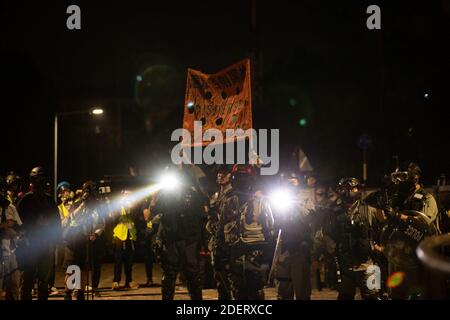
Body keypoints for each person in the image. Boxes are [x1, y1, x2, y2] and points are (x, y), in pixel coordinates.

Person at [323, 177, 379, 300]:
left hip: (367, 262)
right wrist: (334, 251)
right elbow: (326, 234)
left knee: (373, 296)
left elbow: (380, 230)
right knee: (345, 296)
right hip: (344, 264)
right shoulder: (333, 212)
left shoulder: (369, 209)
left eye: (353, 188)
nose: (349, 192)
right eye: (345, 189)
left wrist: (378, 247)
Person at [153, 168, 204, 300]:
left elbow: (201, 216)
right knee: (169, 275)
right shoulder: (165, 195)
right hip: (171, 240)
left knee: (192, 274)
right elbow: (153, 212)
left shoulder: (193, 195)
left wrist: (198, 240)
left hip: (189, 241)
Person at [227, 164, 275, 300]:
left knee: (255, 290)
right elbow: (222, 227)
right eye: (239, 177)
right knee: (237, 290)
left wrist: (267, 258)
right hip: (235, 250)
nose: (242, 180)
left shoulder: (261, 201)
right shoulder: (229, 201)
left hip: (256, 251)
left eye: (244, 177)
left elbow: (270, 229)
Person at [17, 167, 61, 300]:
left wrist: (53, 242)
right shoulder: (26, 200)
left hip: (45, 245)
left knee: (43, 282)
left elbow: (56, 223)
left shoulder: (48, 200)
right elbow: (19, 223)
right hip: (30, 245)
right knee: (28, 280)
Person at [273, 172, 313, 300]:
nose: (290, 182)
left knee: (302, 289)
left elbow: (310, 217)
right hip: (284, 248)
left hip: (300, 249)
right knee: (283, 288)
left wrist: (296, 205)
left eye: (293, 179)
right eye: (288, 179)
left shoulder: (306, 197)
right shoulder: (280, 197)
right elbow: (274, 221)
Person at [206, 166, 234, 300]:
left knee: (232, 276)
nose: (220, 175)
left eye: (223, 173)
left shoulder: (234, 195)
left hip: (230, 240)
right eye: (218, 173)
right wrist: (210, 224)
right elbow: (210, 219)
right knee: (219, 276)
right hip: (217, 240)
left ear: (230, 176)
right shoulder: (215, 196)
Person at [111, 190, 139, 290]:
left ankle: (129, 281)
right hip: (119, 234)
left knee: (129, 260)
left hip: (130, 234)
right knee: (118, 259)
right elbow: (114, 217)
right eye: (125, 195)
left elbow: (134, 216)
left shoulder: (134, 205)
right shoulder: (118, 205)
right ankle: (116, 281)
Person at [0, 177, 22, 300]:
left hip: (11, 256)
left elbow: (19, 227)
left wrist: (13, 231)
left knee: (13, 290)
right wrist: (3, 227)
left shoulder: (11, 208)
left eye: (2, 190)